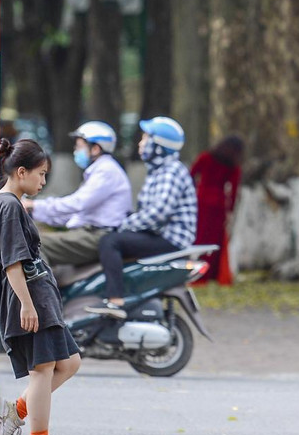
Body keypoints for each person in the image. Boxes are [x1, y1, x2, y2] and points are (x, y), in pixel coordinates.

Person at [0, 138, 82, 435]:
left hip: (39, 296)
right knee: (42, 370)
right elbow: (12, 262)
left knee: (69, 363)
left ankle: (16, 412)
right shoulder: (8, 206)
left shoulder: (10, 203)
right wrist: (26, 304)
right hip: (29, 298)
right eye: (40, 175)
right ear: (21, 171)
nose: (43, 182)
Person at [88, 117, 197, 319]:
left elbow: (159, 212)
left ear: (158, 145)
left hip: (170, 239)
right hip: (161, 233)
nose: (141, 143)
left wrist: (124, 225)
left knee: (109, 242)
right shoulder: (159, 171)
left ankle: (115, 301)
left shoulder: (170, 171)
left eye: (146, 138)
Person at [26, 121, 133, 266]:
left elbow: (77, 203)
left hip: (96, 236)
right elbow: (74, 214)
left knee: (34, 244)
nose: (76, 150)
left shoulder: (106, 171)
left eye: (80, 146)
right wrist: (34, 212)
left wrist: (34, 205)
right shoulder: (97, 171)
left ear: (95, 149)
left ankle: (43, 289)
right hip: (88, 233)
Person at [191, 135, 244, 284]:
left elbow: (191, 174)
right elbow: (233, 191)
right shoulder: (233, 166)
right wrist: (231, 210)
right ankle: (211, 273)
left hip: (201, 201)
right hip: (218, 205)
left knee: (200, 236)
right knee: (214, 240)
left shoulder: (206, 157)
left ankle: (197, 272)